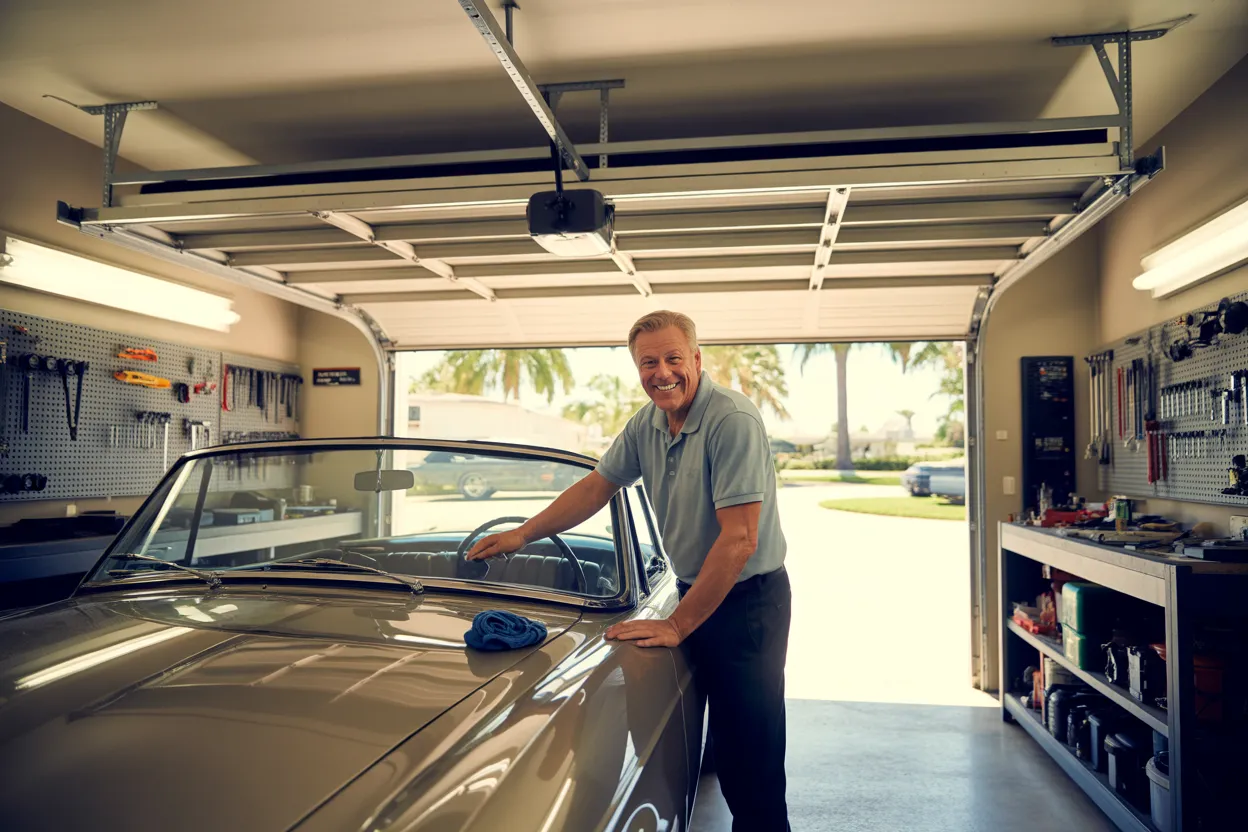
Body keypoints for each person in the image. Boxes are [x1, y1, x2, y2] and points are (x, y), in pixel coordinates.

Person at [467, 310, 791, 831]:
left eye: (673, 359)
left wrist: (677, 624)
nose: (661, 373)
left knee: (752, 762)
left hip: (748, 603)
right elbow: (597, 487)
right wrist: (523, 534)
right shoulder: (648, 423)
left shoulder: (732, 420)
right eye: (648, 363)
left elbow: (739, 541)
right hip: (693, 588)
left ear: (697, 359)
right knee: (716, 737)